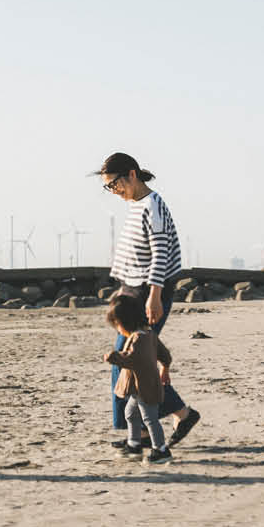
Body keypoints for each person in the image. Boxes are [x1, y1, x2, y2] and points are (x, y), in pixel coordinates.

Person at [99, 151, 200, 447]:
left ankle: (176, 416)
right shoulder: (136, 204)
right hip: (132, 290)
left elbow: (160, 254)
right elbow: (133, 254)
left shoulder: (152, 205)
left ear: (131, 174)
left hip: (148, 291)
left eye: (115, 183)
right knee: (130, 362)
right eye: (108, 187)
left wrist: (154, 296)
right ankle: (151, 428)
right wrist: (120, 289)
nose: (114, 191)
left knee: (133, 360)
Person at [104, 292, 174, 463]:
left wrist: (114, 357)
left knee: (150, 419)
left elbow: (134, 359)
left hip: (146, 388)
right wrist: (165, 368)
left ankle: (161, 450)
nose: (118, 330)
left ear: (124, 322)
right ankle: (134, 444)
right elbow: (165, 355)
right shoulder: (148, 334)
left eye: (117, 326)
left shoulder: (139, 339)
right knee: (130, 413)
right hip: (140, 388)